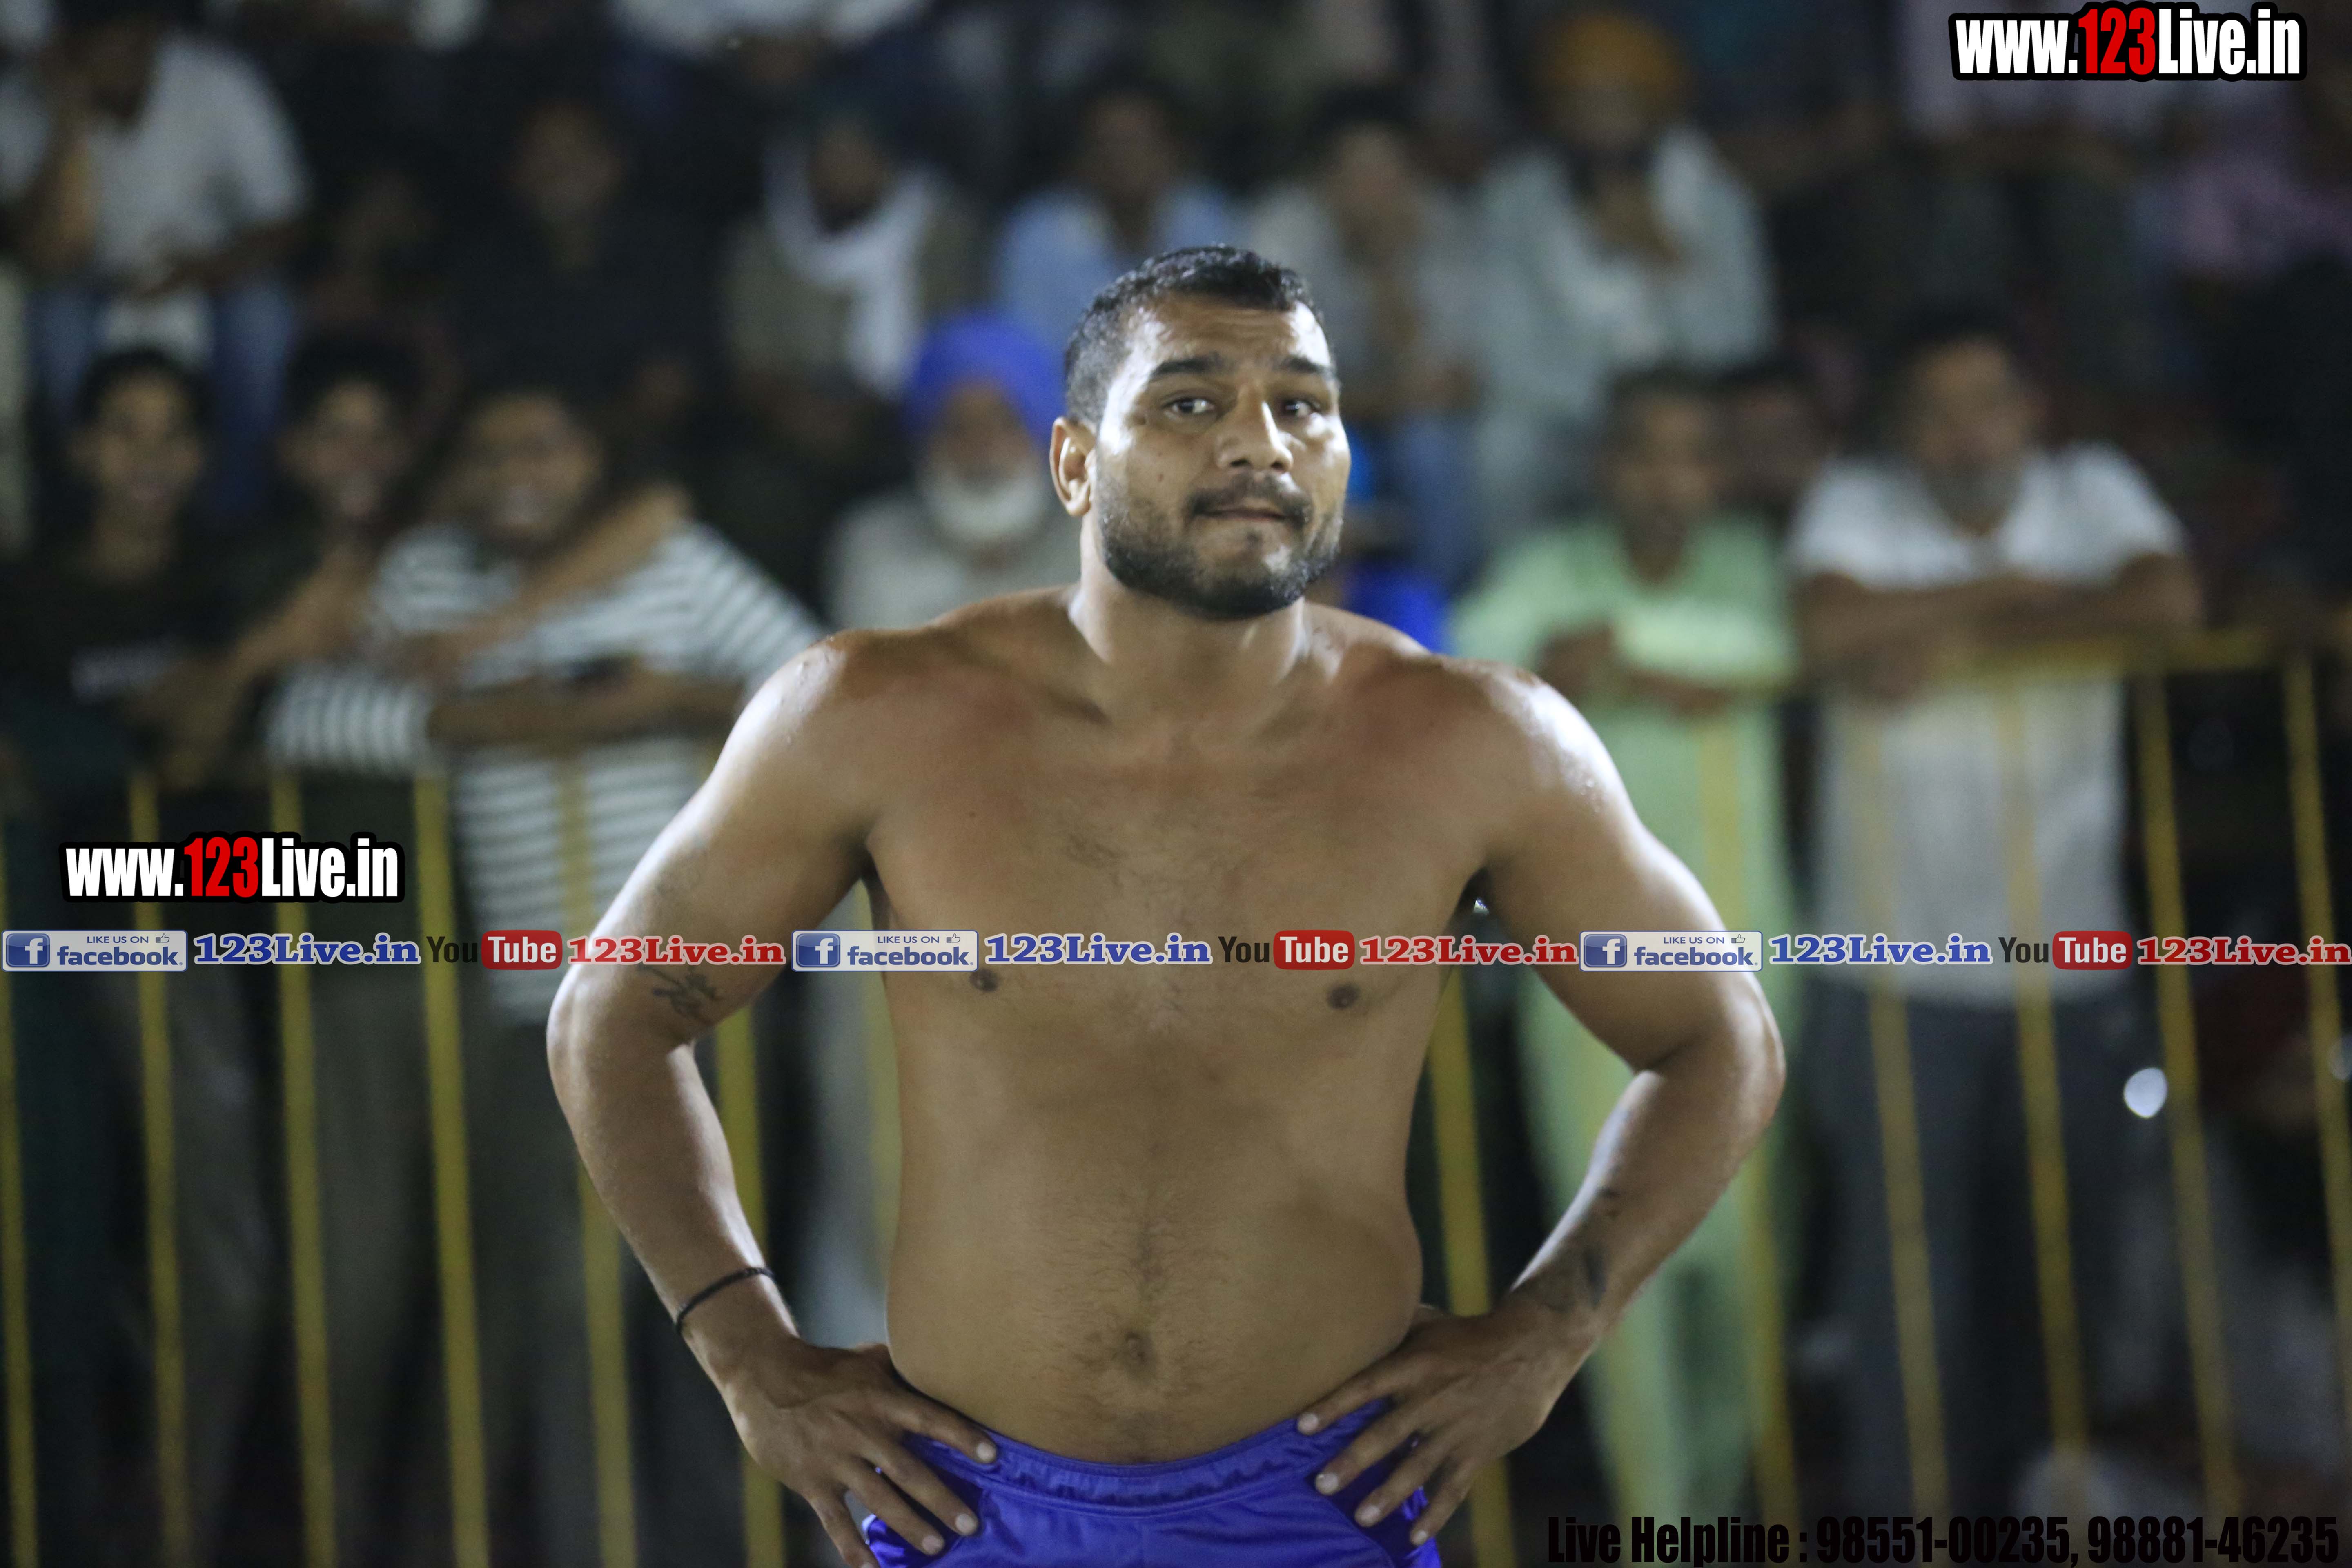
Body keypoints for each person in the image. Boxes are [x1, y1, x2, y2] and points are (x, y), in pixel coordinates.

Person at [545, 245, 1783, 1568]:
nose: (1261, 442)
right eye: (1192, 402)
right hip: (966, 1502)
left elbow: (1720, 1038)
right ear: (1074, 464)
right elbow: (613, 1017)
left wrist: (1547, 1333)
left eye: (1303, 406)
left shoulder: (1478, 741)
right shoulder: (872, 714)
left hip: (1324, 1499)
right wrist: (748, 1356)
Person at [265, 380, 826, 1565]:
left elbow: (816, 685)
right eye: (488, 450)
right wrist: (484, 723)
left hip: (705, 990)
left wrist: (673, 702)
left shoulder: (672, 562)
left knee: (737, 1295)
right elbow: (300, 716)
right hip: (546, 1010)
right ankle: (592, 1545)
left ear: (593, 457)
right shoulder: (428, 576)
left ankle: (735, 1544)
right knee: (569, 1300)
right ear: (454, 472)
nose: (518, 470)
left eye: (546, 444)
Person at [1789, 310, 2202, 1514]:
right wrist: (2026, 596)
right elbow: (1826, 627)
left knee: (2062, 1279)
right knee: (1901, 1289)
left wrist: (1958, 623)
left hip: (2069, 959)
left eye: (1988, 403)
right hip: (1886, 963)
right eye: (1935, 411)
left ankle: (2043, 1508)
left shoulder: (2092, 488)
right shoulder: (1853, 500)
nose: (1966, 433)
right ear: (1898, 429)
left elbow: (2169, 601)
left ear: (2032, 412)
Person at [1452, 368, 1798, 1521]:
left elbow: (1769, 643)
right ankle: (1658, 1528)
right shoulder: (1548, 569)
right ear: (1605, 467)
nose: (1666, 479)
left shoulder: (1748, 564)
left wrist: (1612, 652)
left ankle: (1721, 1504)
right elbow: (1473, 645)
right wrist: (1630, 664)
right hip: (1585, 988)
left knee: (1747, 1268)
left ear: (1719, 472)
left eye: (1691, 454)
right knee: (1605, 1267)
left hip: (1753, 975)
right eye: (1644, 452)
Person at [0, 347, 273, 1566]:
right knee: (69, 1236)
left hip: (213, 939)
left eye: (172, 431)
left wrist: (209, 706)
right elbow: (131, 747)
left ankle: (171, 1528)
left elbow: (216, 740)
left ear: (205, 452)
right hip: (63, 945)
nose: (147, 456)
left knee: (218, 1263)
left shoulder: (226, 579)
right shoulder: (25, 594)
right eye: (122, 428)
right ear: (78, 449)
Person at [0, 0, 308, 516]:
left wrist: (201, 271)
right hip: (89, 287)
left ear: (152, 32)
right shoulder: (22, 103)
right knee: (55, 319)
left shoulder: (218, 81)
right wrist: (69, 121)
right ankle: (87, 515)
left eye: (126, 36)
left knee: (263, 314)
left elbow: (286, 219)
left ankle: (237, 513)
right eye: (95, 39)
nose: (113, 54)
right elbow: (47, 255)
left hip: (209, 278)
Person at [1475, 9, 1771, 543]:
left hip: (1692, 408)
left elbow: (1743, 344)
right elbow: (1507, 353)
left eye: (1620, 103)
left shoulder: (1716, 196)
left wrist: (1664, 254)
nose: (1601, 124)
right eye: (1582, 104)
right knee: (1502, 450)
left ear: (1657, 108)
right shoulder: (1514, 200)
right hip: (1570, 414)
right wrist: (1615, 415)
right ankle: (1513, 579)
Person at [1248, 86, 1484, 590]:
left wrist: (1387, 271)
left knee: (1432, 451)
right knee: (1327, 456)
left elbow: (1455, 380)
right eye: (1356, 173)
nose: (1374, 190)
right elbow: (1271, 387)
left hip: (1399, 421)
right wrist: (1388, 398)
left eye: (1389, 172)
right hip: (1311, 422)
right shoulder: (1283, 231)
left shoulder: (1441, 226)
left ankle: (1442, 606)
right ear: (1321, 178)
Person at [445, 96, 712, 462]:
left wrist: (560, 452)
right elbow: (463, 380)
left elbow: (666, 394)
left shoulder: (668, 254)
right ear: (515, 172)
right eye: (541, 154)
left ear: (616, 162)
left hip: (635, 457)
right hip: (504, 456)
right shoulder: (487, 263)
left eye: (576, 151)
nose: (558, 169)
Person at [824, 312, 1078, 630]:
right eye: (957, 426)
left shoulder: (1091, 548)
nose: (981, 447)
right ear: (925, 444)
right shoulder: (873, 548)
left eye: (1005, 423)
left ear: (1044, 441)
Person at [994, 75, 1234, 350]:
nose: (1125, 159)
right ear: (1080, 156)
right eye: (1109, 144)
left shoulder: (1211, 223)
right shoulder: (1037, 237)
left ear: (1175, 151)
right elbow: (1026, 356)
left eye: (1140, 143)